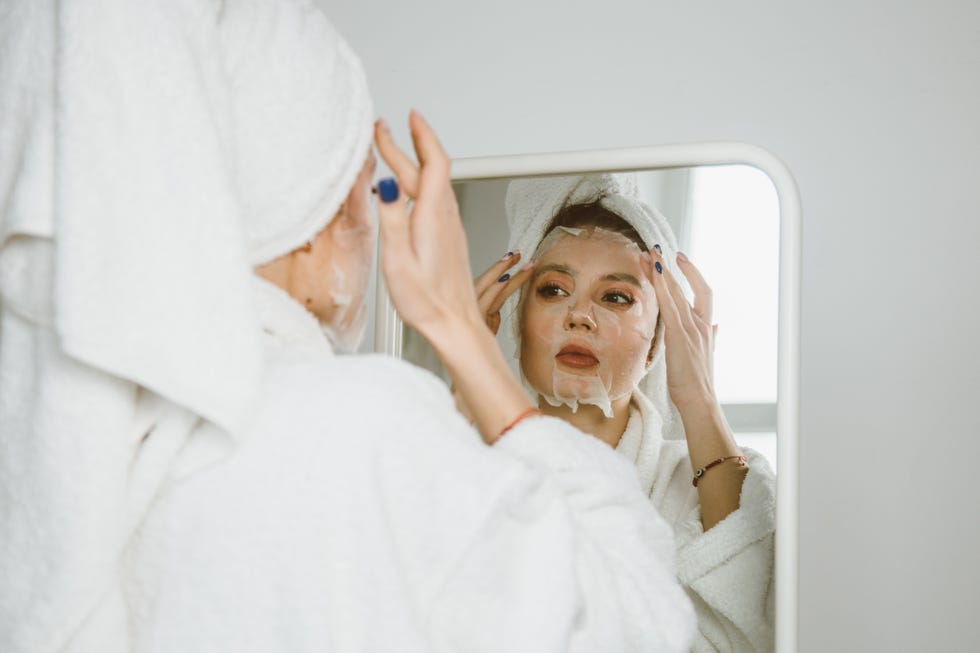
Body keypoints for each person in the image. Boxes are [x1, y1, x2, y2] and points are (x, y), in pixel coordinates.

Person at [0, 2, 696, 652]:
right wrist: (459, 328)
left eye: (617, 297)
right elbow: (637, 623)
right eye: (365, 187)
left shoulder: (64, 444)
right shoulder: (359, 426)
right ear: (313, 223)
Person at [471, 174, 777, 652]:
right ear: (516, 320)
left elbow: (753, 630)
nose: (579, 315)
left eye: (615, 297)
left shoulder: (706, 488)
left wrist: (698, 394)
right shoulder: (468, 467)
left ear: (659, 341)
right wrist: (464, 371)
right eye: (553, 290)